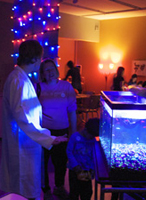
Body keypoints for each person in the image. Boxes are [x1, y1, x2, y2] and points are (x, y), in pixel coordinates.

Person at [0, 40, 68, 200]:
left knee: (25, 184)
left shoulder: (21, 78)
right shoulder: (18, 80)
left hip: (26, 141)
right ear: (35, 58)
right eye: (40, 58)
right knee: (23, 187)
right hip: (22, 143)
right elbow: (23, 119)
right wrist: (49, 138)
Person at [38, 58, 77, 200]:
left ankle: (59, 187)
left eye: (52, 69)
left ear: (57, 70)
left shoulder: (66, 86)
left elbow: (72, 111)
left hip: (63, 131)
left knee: (60, 163)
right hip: (44, 132)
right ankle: (46, 189)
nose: (50, 72)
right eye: (46, 70)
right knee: (43, 163)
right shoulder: (38, 87)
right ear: (42, 74)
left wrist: (72, 133)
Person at [67, 118, 100, 200]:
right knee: (74, 192)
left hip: (87, 171)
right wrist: (75, 165)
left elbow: (94, 155)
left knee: (87, 193)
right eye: (91, 135)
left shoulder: (93, 140)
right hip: (74, 171)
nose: (91, 138)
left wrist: (92, 168)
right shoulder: (75, 137)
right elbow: (69, 152)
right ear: (85, 130)